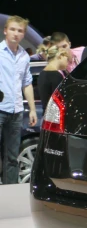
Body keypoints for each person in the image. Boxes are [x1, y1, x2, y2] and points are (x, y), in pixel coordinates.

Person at [0, 16, 38, 184]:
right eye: (13, 29)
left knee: (12, 156)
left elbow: (27, 83)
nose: (16, 33)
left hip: (16, 111)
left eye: (20, 31)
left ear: (23, 34)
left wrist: (31, 109)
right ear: (5, 31)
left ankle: (9, 192)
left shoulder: (24, 56)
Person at [37, 44, 69, 110]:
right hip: (54, 116)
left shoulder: (42, 73)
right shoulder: (56, 76)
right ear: (60, 56)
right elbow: (59, 100)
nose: (67, 62)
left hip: (46, 114)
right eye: (67, 58)